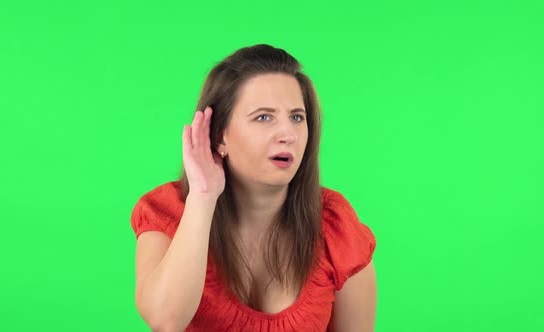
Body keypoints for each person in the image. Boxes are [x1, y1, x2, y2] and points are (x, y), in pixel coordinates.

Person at [130, 44, 377, 331]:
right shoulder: (166, 212)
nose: (288, 134)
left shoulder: (336, 227)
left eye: (297, 117)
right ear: (220, 135)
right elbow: (166, 321)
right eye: (264, 117)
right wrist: (203, 195)